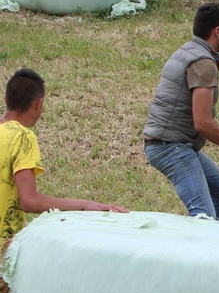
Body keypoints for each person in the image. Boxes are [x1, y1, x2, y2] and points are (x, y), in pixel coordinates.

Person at [143, 3, 219, 222]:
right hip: (170, 146)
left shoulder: (187, 51)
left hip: (169, 141)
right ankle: (204, 249)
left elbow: (197, 118)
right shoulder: (203, 63)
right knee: (203, 214)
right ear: (217, 31)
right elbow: (203, 123)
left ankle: (216, 243)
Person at [0, 69, 127, 240]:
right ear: (38, 103)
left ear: (6, 100)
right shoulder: (21, 137)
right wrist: (84, 205)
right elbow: (29, 201)